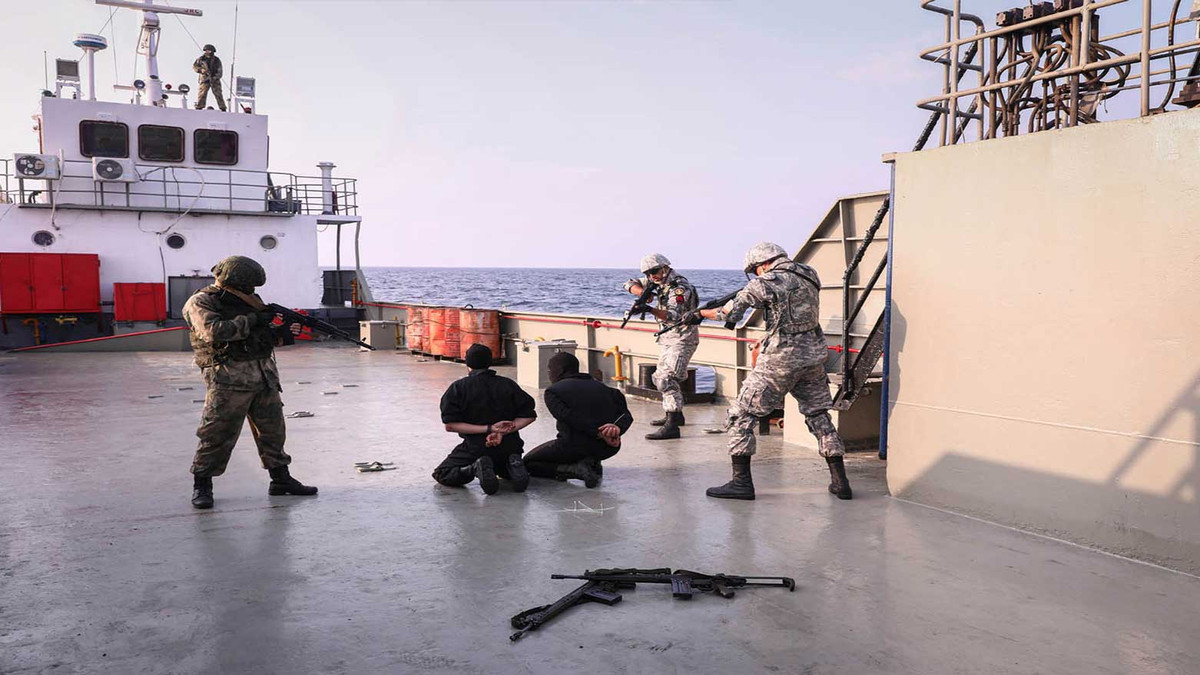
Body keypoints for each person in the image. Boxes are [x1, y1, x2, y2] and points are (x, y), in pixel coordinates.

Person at [698, 242, 852, 501]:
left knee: (740, 416)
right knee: (819, 416)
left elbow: (729, 314)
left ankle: (741, 483)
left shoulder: (763, 283)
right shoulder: (809, 273)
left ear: (762, 264)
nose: (755, 274)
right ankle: (840, 482)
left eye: (754, 270)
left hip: (779, 362)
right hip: (812, 358)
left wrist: (700, 314)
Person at [184, 255, 317, 510]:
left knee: (273, 432)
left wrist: (279, 334)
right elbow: (212, 332)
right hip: (228, 378)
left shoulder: (248, 300)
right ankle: (202, 484)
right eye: (246, 285)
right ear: (232, 280)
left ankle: (281, 479)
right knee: (217, 433)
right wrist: (254, 319)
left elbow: (257, 337)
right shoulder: (201, 301)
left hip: (263, 376)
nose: (250, 290)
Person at [434, 344, 537, 495]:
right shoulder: (507, 384)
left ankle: (474, 468)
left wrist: (489, 429)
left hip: (476, 447)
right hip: (510, 445)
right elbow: (530, 415)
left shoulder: (458, 388)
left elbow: (450, 425)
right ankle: (513, 465)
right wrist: (502, 432)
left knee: (442, 473)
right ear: (490, 362)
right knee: (502, 467)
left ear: (467, 363)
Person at [523, 352, 632, 488]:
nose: (549, 374)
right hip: (607, 447)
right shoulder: (607, 389)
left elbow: (568, 417)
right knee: (588, 449)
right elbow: (626, 415)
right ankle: (591, 462)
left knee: (528, 463)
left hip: (571, 447)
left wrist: (598, 432)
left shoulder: (554, 392)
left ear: (560, 370)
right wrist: (616, 429)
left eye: (550, 370)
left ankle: (574, 470)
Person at [623, 253, 699, 440]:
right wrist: (642, 293)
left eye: (654, 271)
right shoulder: (656, 281)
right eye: (647, 274)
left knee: (666, 378)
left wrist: (649, 309)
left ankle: (672, 426)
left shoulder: (679, 288)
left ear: (665, 268)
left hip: (682, 338)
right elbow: (628, 283)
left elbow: (674, 315)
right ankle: (675, 415)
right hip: (667, 338)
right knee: (662, 376)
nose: (651, 276)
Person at [193, 44, 226, 111]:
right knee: (202, 93)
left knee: (218, 94)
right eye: (207, 50)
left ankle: (222, 107)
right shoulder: (201, 59)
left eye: (210, 50)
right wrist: (201, 70)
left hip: (215, 79)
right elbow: (195, 67)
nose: (208, 52)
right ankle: (200, 106)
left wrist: (215, 77)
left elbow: (220, 71)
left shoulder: (217, 60)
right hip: (205, 79)